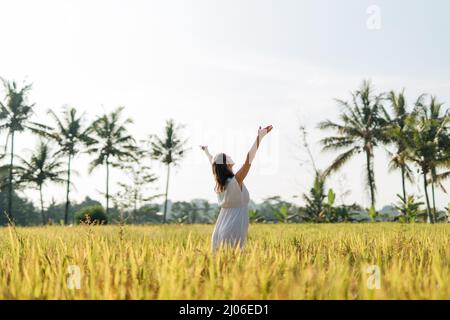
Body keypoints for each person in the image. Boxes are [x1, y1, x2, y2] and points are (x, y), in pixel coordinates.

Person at [200, 125, 273, 253]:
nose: (229, 156)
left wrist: (206, 152)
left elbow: (213, 162)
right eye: (227, 156)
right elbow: (248, 160)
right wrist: (259, 138)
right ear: (226, 164)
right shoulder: (235, 181)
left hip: (219, 230)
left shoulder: (220, 184)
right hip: (234, 229)